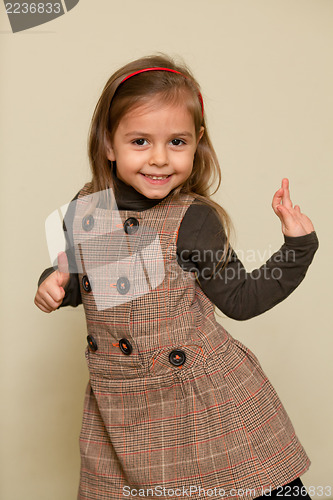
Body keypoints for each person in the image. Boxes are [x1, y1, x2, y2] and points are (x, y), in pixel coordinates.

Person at [34, 54, 319, 500]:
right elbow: (99, 281)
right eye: (141, 141)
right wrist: (58, 282)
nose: (161, 159)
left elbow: (239, 300)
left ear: (198, 142)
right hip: (121, 412)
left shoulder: (193, 220)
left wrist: (296, 249)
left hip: (202, 406)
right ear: (109, 143)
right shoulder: (92, 208)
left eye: (178, 142)